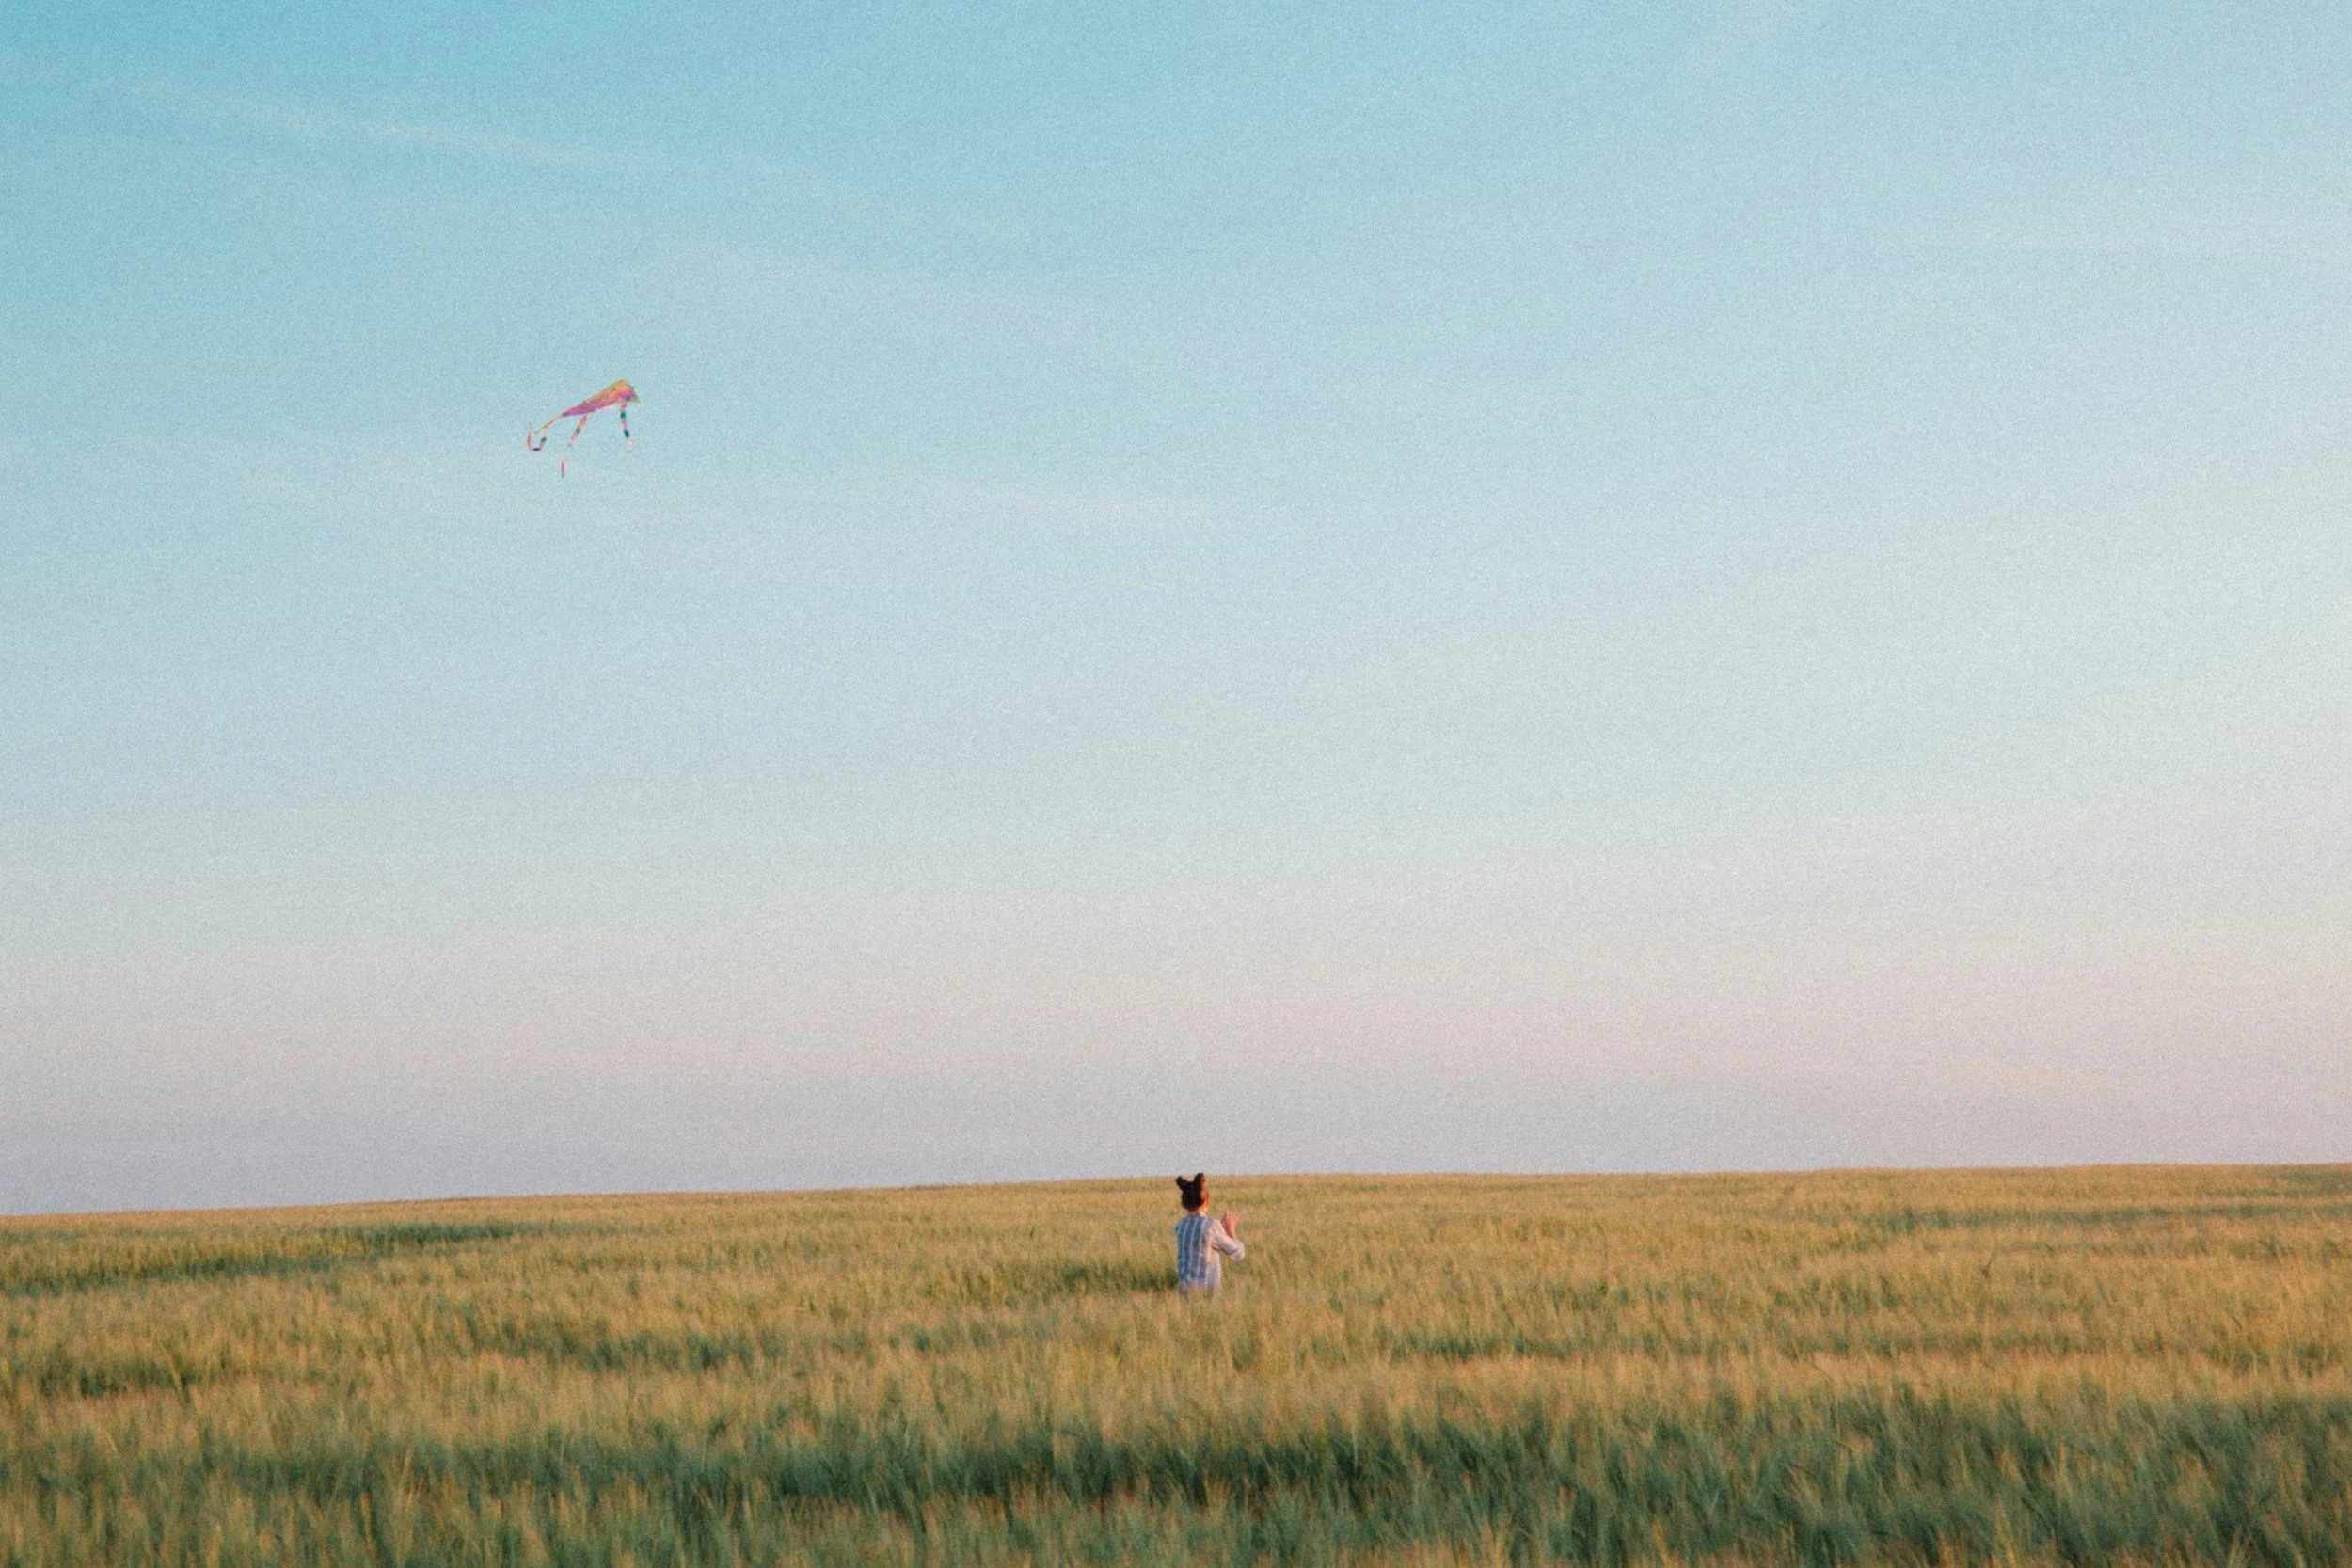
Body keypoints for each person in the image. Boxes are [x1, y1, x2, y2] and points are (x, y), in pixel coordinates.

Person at [1173, 1172, 1245, 1293]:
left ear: (1183, 1204)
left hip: (1185, 1292)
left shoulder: (1180, 1226)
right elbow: (1238, 1254)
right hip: (1208, 1292)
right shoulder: (1211, 1226)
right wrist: (1230, 1230)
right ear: (1207, 1201)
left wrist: (1220, 1229)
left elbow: (1200, 1238)